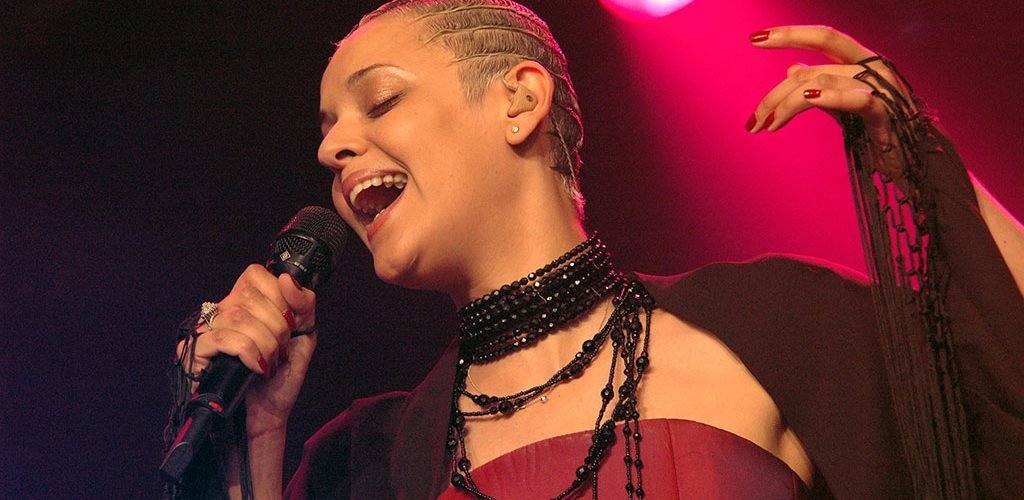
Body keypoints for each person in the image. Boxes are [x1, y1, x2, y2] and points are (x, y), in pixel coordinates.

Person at [164, 0, 1024, 498]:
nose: (333, 148)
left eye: (379, 102)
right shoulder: (373, 461)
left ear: (519, 101)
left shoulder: (777, 325)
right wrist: (257, 433)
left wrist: (913, 150)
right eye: (327, 129)